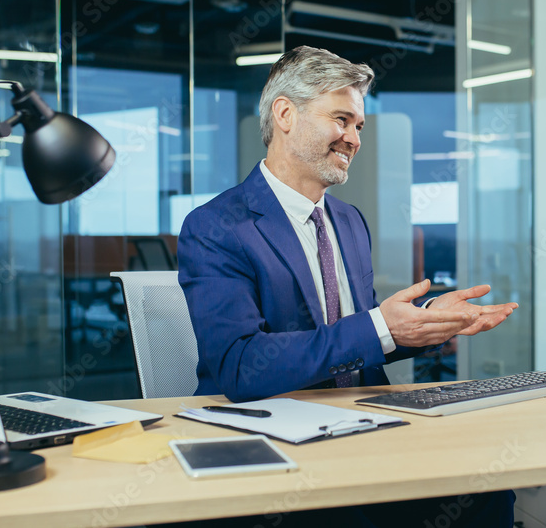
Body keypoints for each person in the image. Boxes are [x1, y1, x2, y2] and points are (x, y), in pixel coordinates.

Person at [177, 45, 518, 402]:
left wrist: (427, 322)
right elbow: (242, 366)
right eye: (341, 120)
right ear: (285, 114)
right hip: (273, 428)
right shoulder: (215, 227)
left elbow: (363, 342)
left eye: (358, 126)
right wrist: (381, 326)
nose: (354, 140)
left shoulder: (349, 220)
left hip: (364, 415)